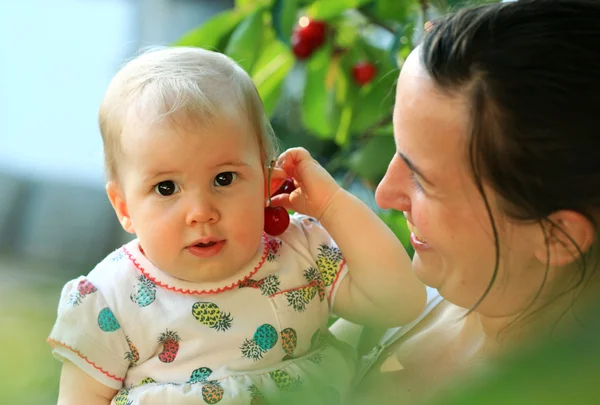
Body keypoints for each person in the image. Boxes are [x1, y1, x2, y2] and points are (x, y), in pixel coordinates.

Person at [46, 47, 426, 405]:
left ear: (266, 179)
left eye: (224, 179)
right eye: (166, 188)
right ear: (124, 207)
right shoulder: (110, 299)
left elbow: (400, 302)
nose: (201, 211)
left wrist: (332, 205)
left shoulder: (300, 252)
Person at [331, 0, 600, 403]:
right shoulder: (385, 310)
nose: (385, 193)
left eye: (422, 179)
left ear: (556, 236)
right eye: (397, 151)